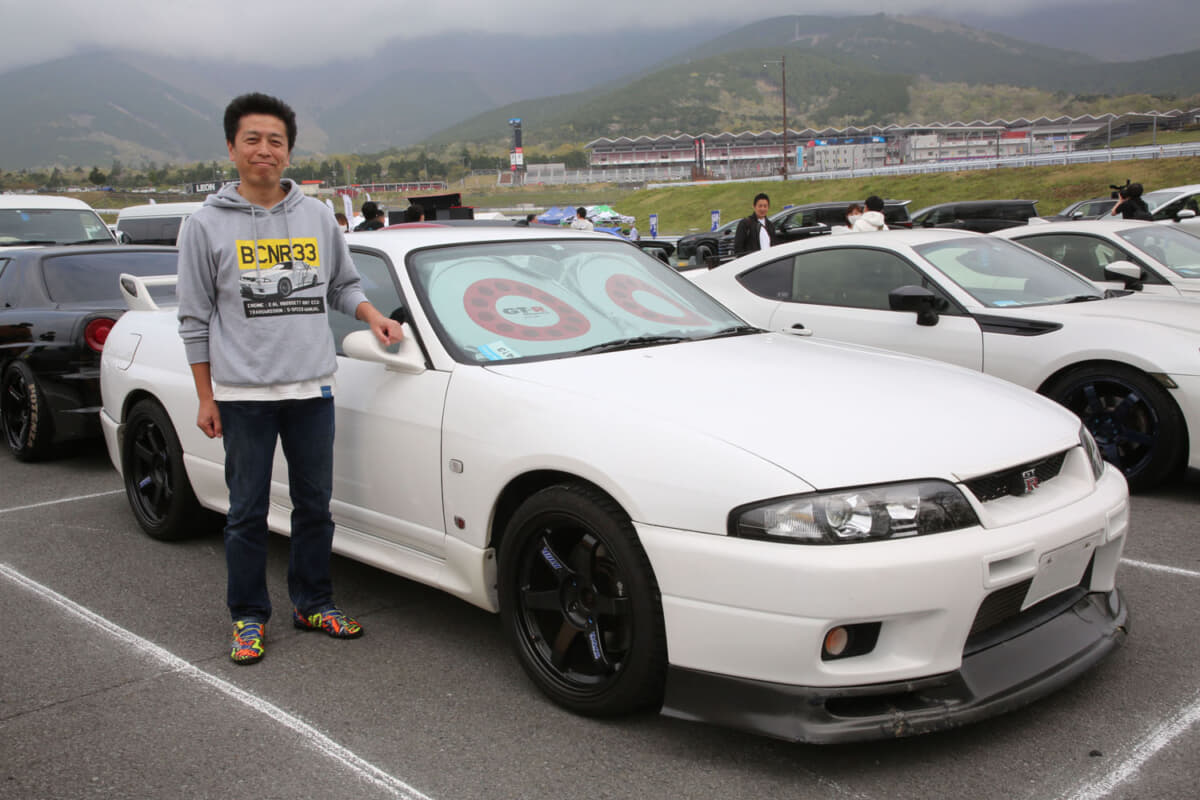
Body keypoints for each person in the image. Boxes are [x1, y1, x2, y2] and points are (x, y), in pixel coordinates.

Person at [176, 92, 404, 665]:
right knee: (247, 511)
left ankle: (312, 602)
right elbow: (194, 319)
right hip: (242, 395)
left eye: (275, 140)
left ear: (289, 151)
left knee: (314, 506)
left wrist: (373, 315)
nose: (264, 150)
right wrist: (206, 396)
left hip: (311, 390)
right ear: (231, 148)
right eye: (252, 139)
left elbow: (342, 287)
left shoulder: (317, 215)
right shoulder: (204, 226)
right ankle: (248, 617)